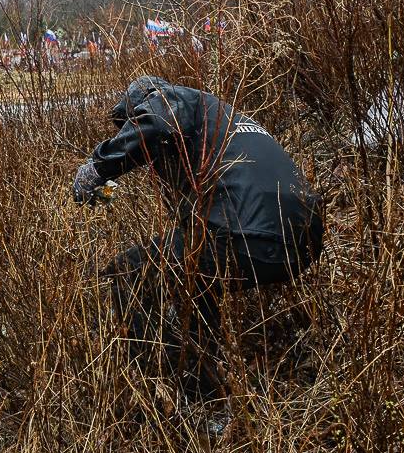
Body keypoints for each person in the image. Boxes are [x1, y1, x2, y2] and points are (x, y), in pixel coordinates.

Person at [73, 76, 323, 396]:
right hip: (303, 241)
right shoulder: (218, 119)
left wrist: (99, 166)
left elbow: (155, 125)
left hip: (250, 233)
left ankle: (160, 389)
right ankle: (201, 383)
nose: (129, 131)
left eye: (132, 121)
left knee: (129, 272)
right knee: (193, 275)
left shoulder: (172, 98)